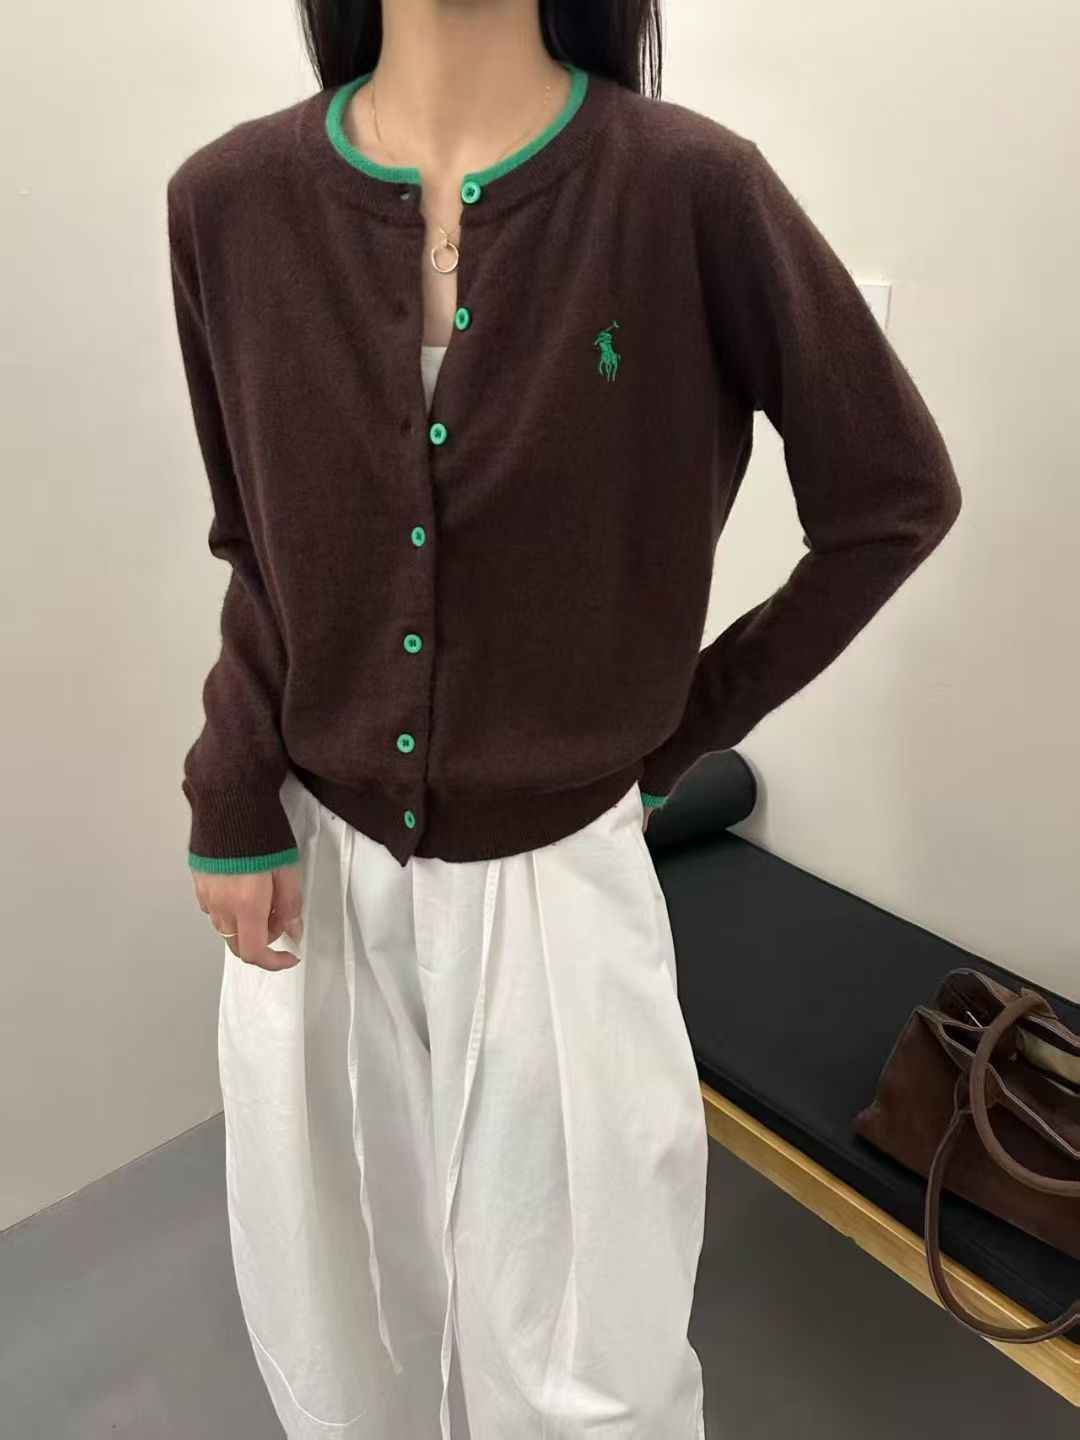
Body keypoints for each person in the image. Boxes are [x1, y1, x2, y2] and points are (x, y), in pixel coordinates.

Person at [165, 1, 962, 1435]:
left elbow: (892, 498)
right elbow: (256, 543)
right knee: (342, 1311)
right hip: (312, 870)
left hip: (561, 889)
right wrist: (231, 793)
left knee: (590, 1354)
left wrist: (675, 729)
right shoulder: (226, 201)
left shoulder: (689, 190)